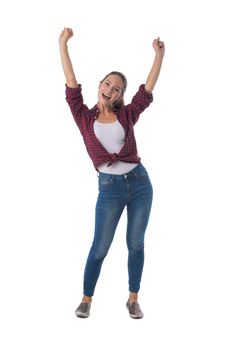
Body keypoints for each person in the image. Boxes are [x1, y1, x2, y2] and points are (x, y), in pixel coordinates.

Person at [59, 27, 165, 319]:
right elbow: (70, 83)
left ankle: (133, 299)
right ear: (100, 85)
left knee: (135, 243)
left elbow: (148, 89)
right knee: (99, 247)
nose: (111, 89)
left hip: (141, 183)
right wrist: (63, 44)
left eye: (117, 88)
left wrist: (159, 55)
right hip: (109, 188)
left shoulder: (128, 114)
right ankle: (86, 299)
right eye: (108, 84)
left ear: (120, 95)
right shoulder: (83, 116)